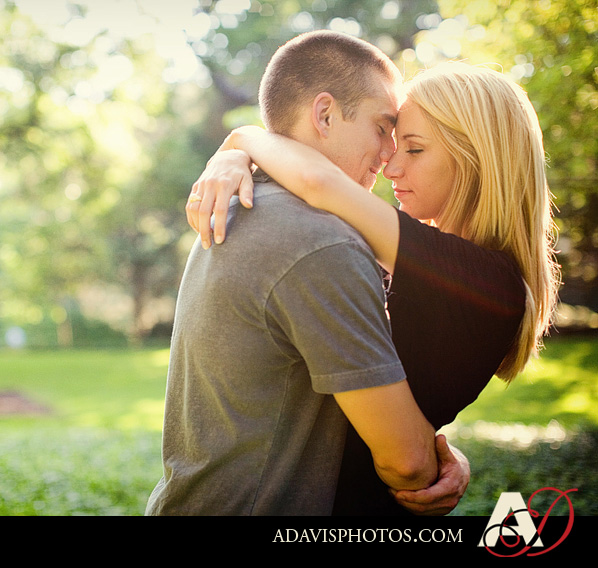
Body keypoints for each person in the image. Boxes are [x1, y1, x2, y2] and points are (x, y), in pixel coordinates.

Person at [187, 60, 560, 515]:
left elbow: (320, 184)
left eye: (415, 150)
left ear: (477, 158)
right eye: (393, 143)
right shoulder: (441, 266)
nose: (391, 166)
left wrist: (241, 139)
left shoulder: (480, 278)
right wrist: (442, 453)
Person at [146, 30, 466, 517]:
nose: (389, 155)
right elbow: (408, 464)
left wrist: (241, 143)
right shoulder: (319, 242)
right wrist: (439, 461)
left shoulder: (244, 203)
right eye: (383, 128)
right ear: (324, 114)